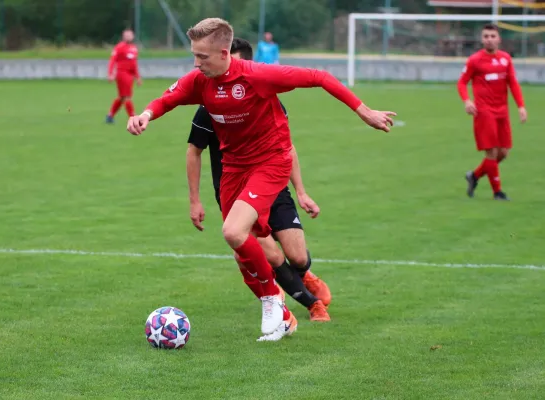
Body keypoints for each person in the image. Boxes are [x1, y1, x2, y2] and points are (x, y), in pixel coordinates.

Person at [127, 18, 395, 341]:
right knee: (241, 245)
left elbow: (319, 77)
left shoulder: (257, 76)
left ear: (225, 53)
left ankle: (273, 303)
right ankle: (282, 312)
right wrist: (145, 115)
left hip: (271, 163)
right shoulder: (201, 81)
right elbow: (167, 100)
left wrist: (362, 110)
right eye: (194, 56)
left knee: (232, 230)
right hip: (234, 169)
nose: (196, 64)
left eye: (202, 57)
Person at [187, 37, 332, 325]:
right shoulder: (208, 105)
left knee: (297, 255)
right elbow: (194, 151)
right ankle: (311, 304)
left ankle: (303, 273)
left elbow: (287, 148)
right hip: (236, 192)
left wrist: (301, 192)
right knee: (272, 256)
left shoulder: (267, 99)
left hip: (272, 186)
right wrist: (195, 200)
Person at [457, 23, 527, 200]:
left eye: (492, 36)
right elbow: (462, 82)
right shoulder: (475, 60)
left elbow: (513, 83)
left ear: (499, 39)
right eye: (486, 36)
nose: (489, 39)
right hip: (484, 111)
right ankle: (498, 192)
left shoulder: (505, 59)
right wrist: (467, 101)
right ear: (482, 39)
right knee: (492, 152)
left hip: (502, 112)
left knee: (503, 153)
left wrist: (521, 106)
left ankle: (474, 176)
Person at [106, 29, 142, 124]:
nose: (128, 37)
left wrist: (137, 77)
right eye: (126, 35)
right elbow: (112, 61)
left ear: (133, 36)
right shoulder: (119, 47)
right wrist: (110, 74)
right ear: (123, 36)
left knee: (122, 97)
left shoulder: (134, 48)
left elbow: (134, 64)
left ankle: (110, 116)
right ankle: (133, 118)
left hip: (130, 76)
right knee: (126, 97)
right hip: (122, 74)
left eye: (130, 35)